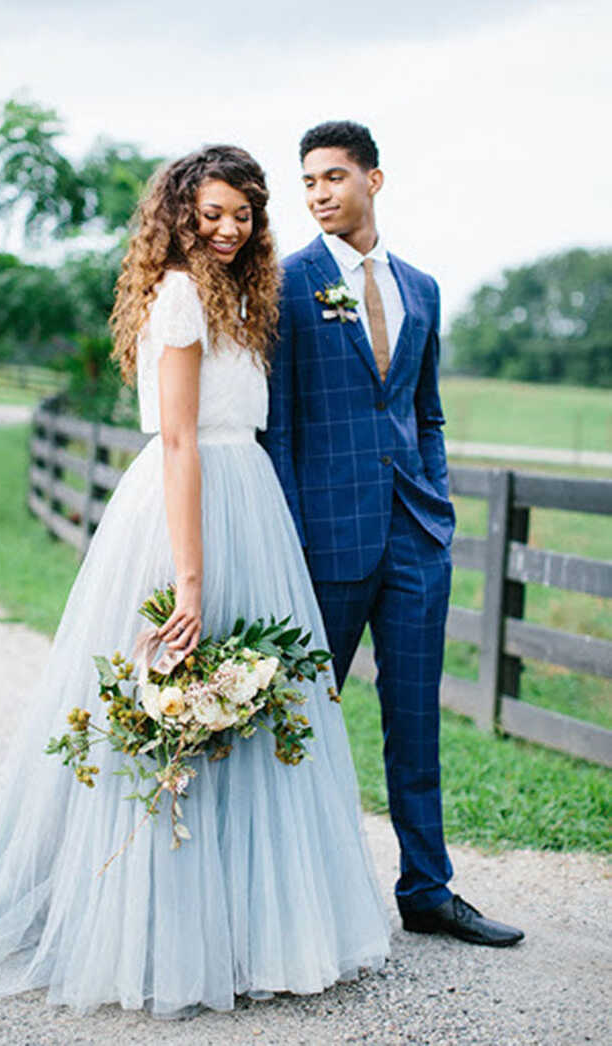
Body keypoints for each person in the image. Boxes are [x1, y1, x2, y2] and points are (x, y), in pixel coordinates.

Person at [0, 145, 390, 1017]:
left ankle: (250, 929)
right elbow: (177, 442)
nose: (226, 229)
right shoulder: (176, 296)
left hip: (249, 503)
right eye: (210, 213)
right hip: (187, 509)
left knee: (248, 708)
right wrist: (191, 581)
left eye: (241, 215)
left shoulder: (244, 295)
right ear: (178, 213)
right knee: (171, 696)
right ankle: (153, 930)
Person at [261, 121, 524, 947]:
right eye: (307, 182)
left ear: (375, 180)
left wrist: (435, 505)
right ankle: (285, 898)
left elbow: (425, 410)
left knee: (416, 722)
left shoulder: (421, 287)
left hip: (415, 539)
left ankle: (427, 891)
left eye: (333, 177)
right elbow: (279, 429)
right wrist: (293, 540)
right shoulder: (285, 285)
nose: (318, 194)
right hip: (325, 543)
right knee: (299, 722)